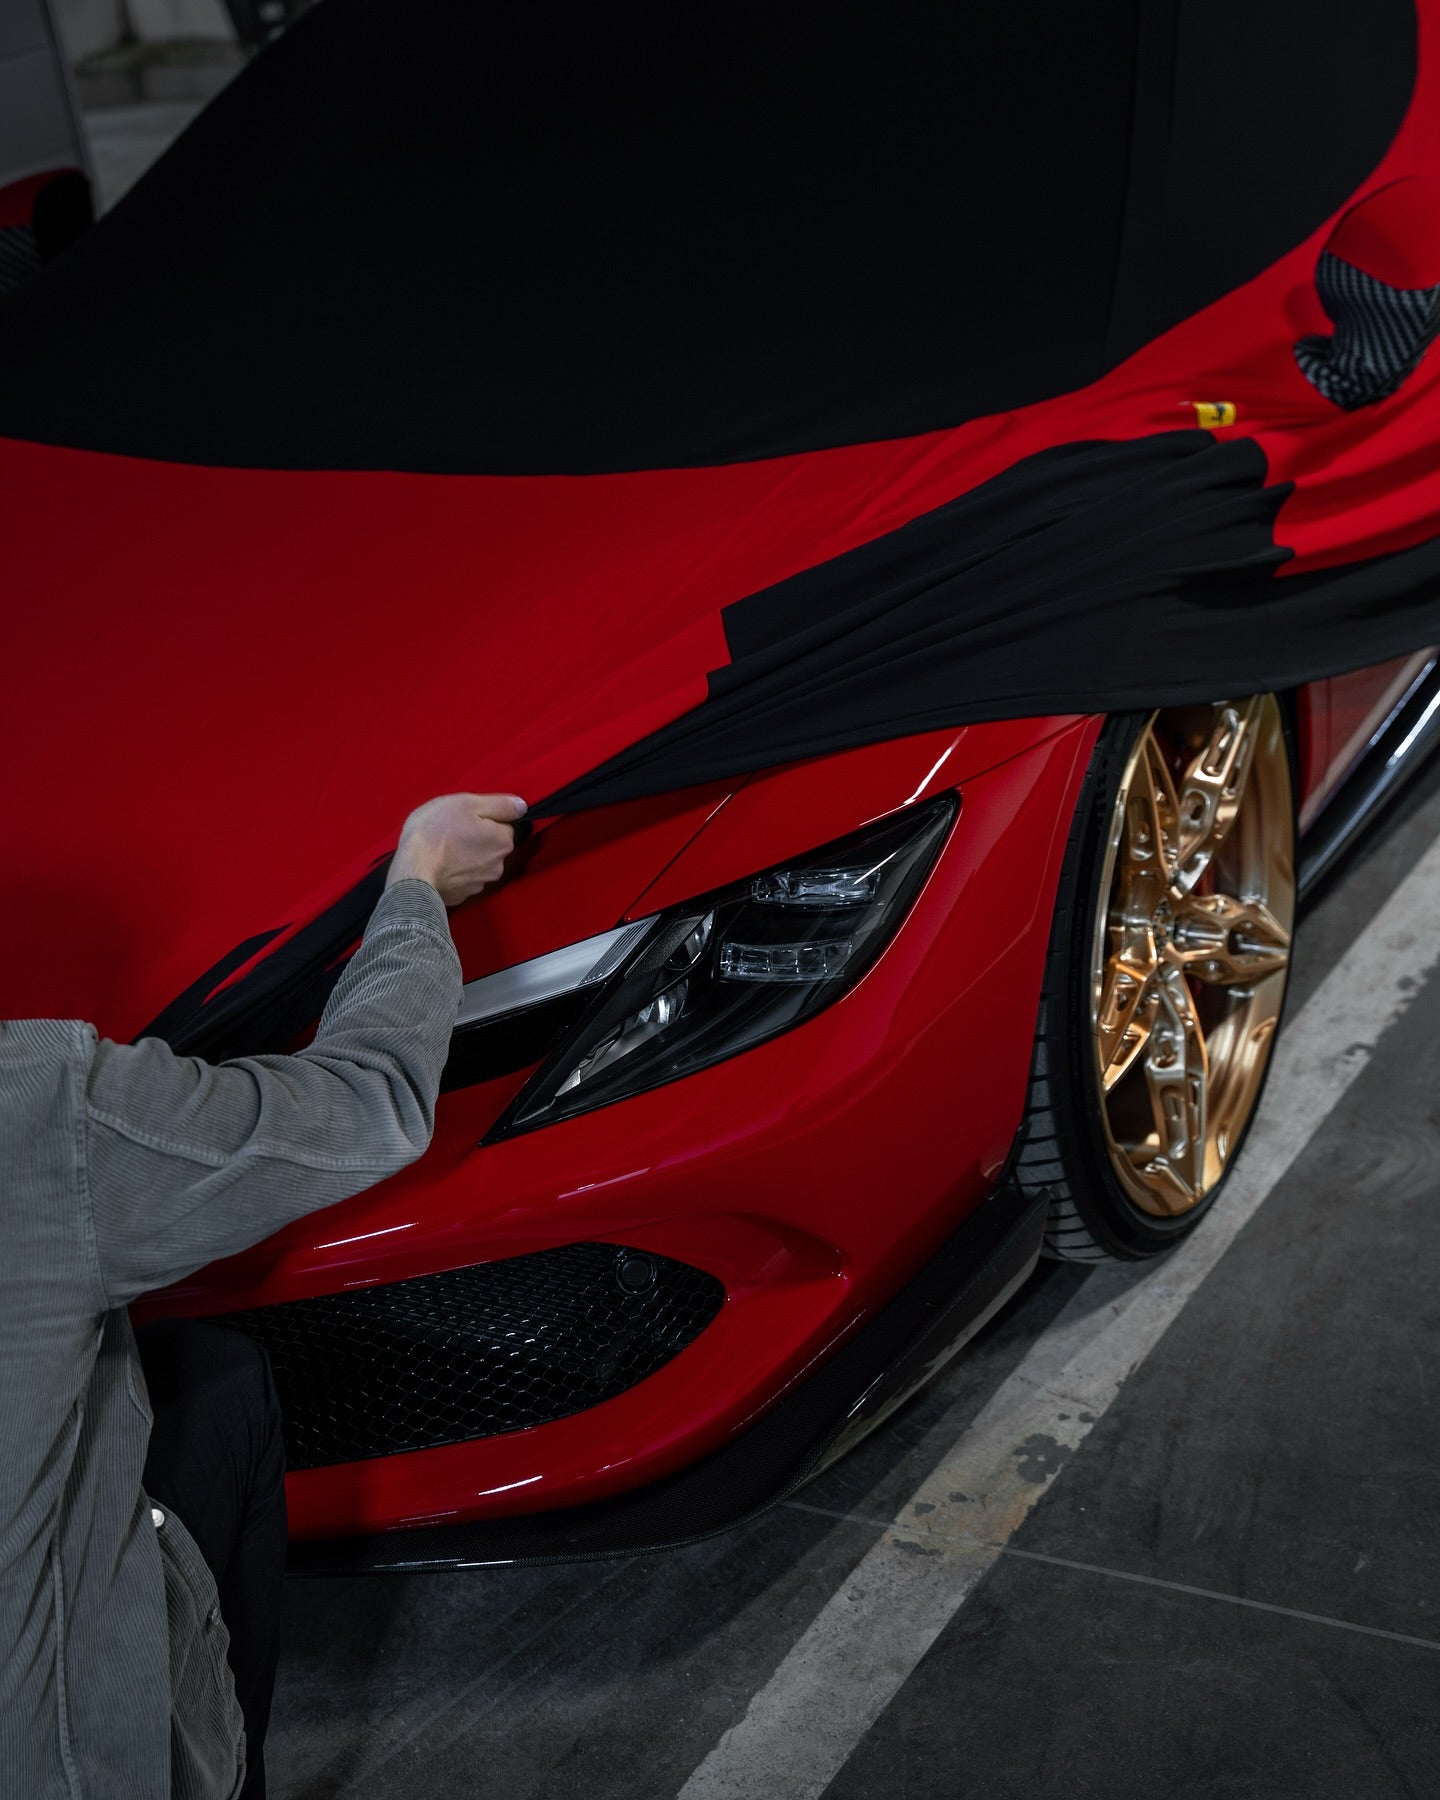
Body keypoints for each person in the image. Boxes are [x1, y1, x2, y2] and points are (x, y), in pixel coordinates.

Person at [0, 790, 527, 1800]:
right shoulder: (32, 1108)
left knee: (198, 1374)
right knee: (225, 1388)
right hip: (69, 1770)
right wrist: (418, 883)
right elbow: (370, 1101)